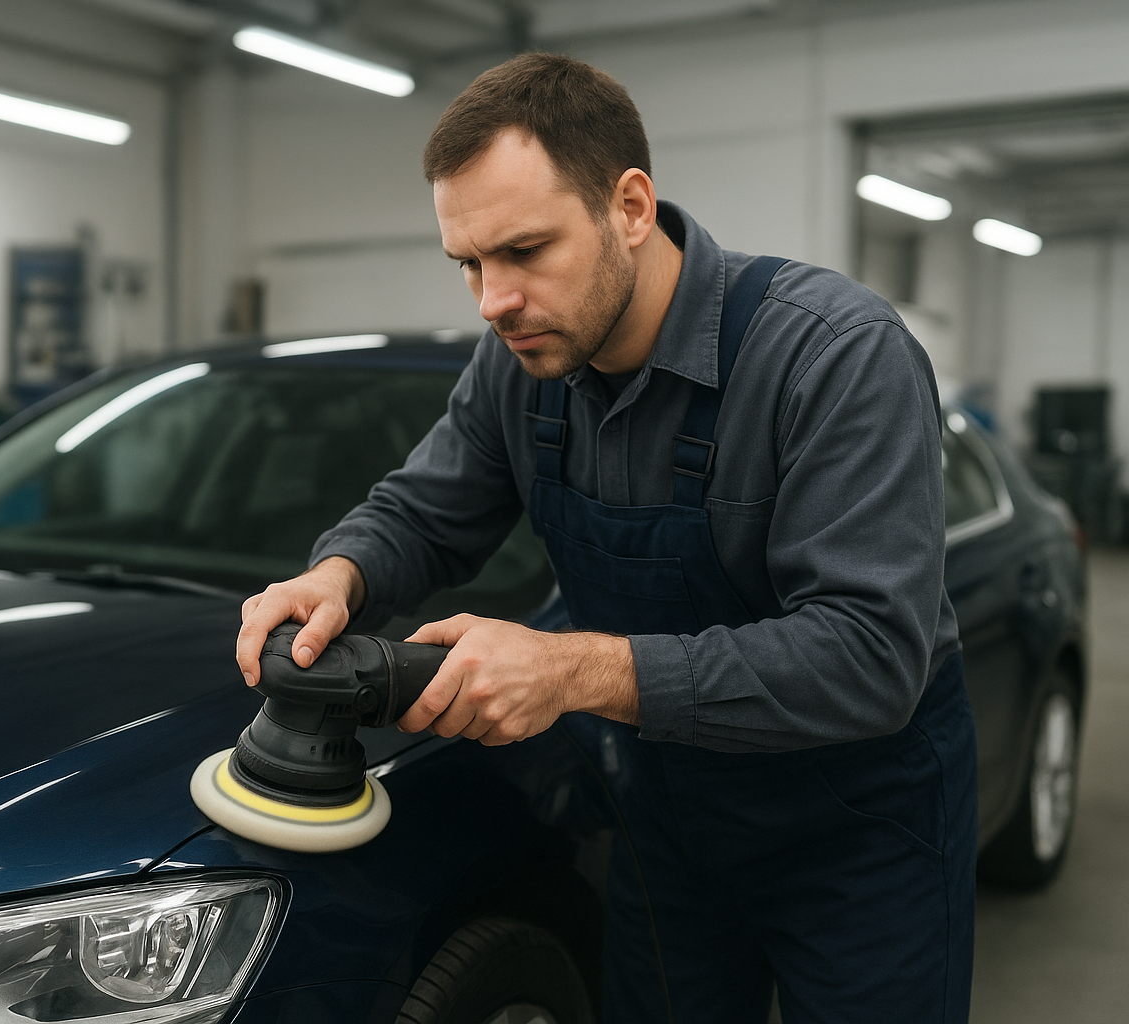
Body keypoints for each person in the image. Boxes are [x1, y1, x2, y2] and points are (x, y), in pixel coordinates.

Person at [235, 52, 976, 1024]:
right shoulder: (521, 366)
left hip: (863, 831)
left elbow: (870, 655)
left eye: (525, 250)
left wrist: (571, 673)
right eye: (469, 263)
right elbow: (424, 508)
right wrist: (340, 573)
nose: (492, 299)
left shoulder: (834, 357)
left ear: (629, 206)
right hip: (669, 816)